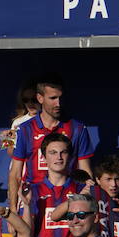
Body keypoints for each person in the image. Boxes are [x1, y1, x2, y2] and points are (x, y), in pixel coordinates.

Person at [7, 75, 92, 209]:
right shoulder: (24, 128)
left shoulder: (78, 129)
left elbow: (85, 172)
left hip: (69, 201)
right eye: (53, 98)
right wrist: (12, 209)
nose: (58, 103)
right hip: (33, 201)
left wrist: (89, 207)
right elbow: (15, 173)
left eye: (60, 98)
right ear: (40, 98)